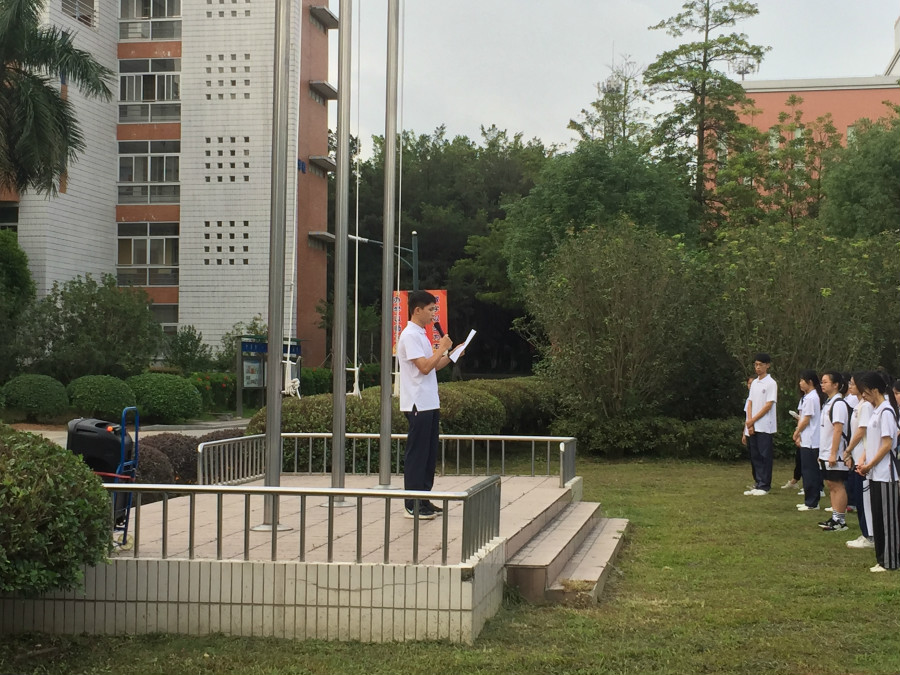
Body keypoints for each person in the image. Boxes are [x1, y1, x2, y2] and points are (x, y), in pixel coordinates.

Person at [396, 290, 454, 520]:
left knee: (429, 454)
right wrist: (441, 347)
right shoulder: (410, 335)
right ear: (417, 310)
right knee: (418, 454)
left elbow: (434, 365)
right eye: (430, 309)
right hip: (417, 402)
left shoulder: (421, 334)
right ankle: (412, 504)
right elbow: (424, 367)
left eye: (434, 309)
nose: (433, 314)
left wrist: (452, 355)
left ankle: (424, 499)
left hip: (429, 401)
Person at [854, 371, 900, 572]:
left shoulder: (886, 411)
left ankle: (890, 561)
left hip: (886, 474)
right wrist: (863, 461)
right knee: (878, 518)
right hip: (874, 473)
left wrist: (870, 464)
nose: (863, 396)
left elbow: (887, 444)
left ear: (874, 390)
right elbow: (872, 443)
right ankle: (881, 558)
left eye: (865, 392)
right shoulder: (875, 411)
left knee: (888, 520)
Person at [816, 371, 850, 529]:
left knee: (837, 484)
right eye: (821, 382)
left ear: (836, 384)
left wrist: (833, 453)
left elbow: (838, 429)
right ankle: (835, 517)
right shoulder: (828, 403)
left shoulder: (839, 404)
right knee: (830, 484)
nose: (822, 385)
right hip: (826, 451)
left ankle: (840, 520)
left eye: (825, 382)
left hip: (835, 453)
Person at [844, 372, 874, 549]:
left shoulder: (866, 406)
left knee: (865, 500)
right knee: (859, 498)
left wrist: (848, 450)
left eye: (853, 384)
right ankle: (865, 532)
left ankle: (870, 535)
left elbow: (862, 431)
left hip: (864, 458)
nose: (850, 387)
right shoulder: (858, 405)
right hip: (856, 457)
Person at [744, 353, 777, 495]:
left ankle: (765, 485)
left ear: (767, 365)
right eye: (756, 365)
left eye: (760, 365)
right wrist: (750, 423)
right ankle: (758, 483)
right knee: (755, 455)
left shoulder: (771, 383)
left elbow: (768, 405)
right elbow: (750, 402)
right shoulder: (754, 383)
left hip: (765, 426)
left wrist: (753, 420)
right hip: (753, 425)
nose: (757, 367)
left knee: (764, 456)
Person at [793, 370, 823, 511]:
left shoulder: (811, 398)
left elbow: (806, 419)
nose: (800, 383)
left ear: (810, 382)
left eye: (802, 380)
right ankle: (809, 500)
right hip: (807, 439)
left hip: (811, 440)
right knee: (806, 471)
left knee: (810, 472)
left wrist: (797, 432)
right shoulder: (808, 397)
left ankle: (812, 502)